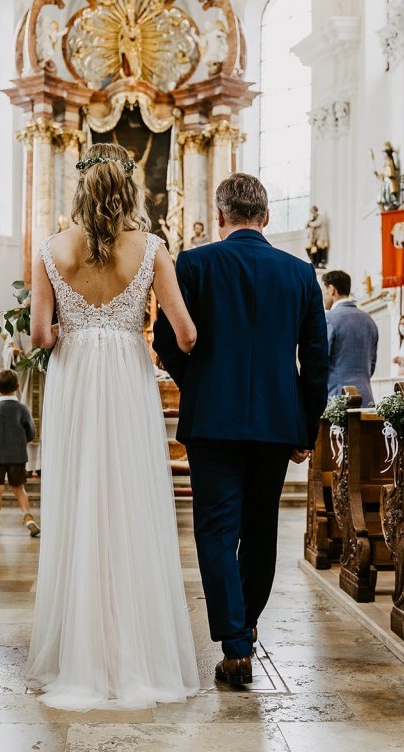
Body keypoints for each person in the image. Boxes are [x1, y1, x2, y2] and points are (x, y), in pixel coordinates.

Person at [26, 142, 199, 711]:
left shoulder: (51, 250)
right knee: (128, 503)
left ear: (81, 189)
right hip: (126, 378)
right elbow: (186, 333)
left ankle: (77, 653)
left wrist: (77, 331)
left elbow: (40, 337)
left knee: (80, 503)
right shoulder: (152, 249)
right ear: (130, 190)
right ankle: (135, 653)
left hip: (76, 381)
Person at [154, 173, 328, 688]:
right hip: (277, 423)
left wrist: (199, 384)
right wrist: (305, 427)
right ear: (267, 217)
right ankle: (245, 627)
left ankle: (234, 644)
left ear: (222, 216)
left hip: (212, 422)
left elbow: (166, 339)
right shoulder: (300, 274)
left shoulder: (195, 263)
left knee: (214, 528)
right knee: (260, 528)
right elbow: (316, 360)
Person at [0, 369, 39, 537]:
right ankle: (28, 516)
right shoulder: (22, 409)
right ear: (18, 386)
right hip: (17, 455)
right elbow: (31, 433)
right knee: (19, 488)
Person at [322, 269, 378, 407]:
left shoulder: (329, 319)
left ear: (331, 289)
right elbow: (372, 364)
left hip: (337, 399)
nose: (322, 296)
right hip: (366, 398)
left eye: (323, 291)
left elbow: (320, 361)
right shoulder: (369, 320)